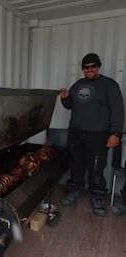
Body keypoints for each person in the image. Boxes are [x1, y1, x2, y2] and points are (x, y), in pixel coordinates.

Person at [59, 53, 124, 217]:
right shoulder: (78, 85)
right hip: (76, 132)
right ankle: (76, 190)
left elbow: (117, 110)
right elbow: (70, 106)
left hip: (99, 135)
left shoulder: (110, 85)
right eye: (86, 67)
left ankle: (97, 197)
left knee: (96, 167)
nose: (90, 70)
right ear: (82, 69)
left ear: (99, 66)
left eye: (93, 66)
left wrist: (115, 133)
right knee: (76, 164)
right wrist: (66, 98)